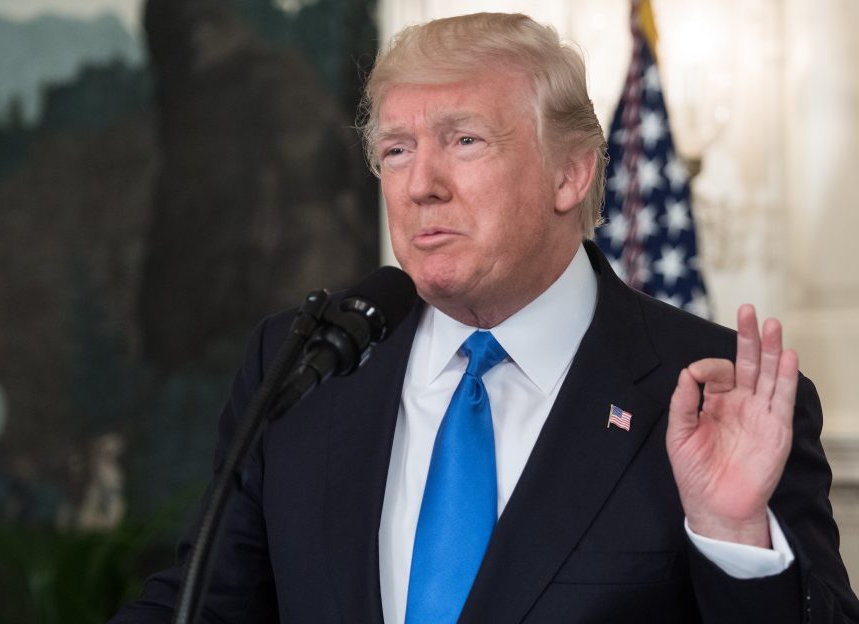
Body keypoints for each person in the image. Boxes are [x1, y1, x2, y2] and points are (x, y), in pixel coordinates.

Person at [111, 12, 859, 623]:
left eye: (463, 140)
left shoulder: (712, 390)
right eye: (396, 150)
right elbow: (206, 605)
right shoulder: (307, 363)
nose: (420, 185)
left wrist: (733, 536)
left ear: (570, 172)